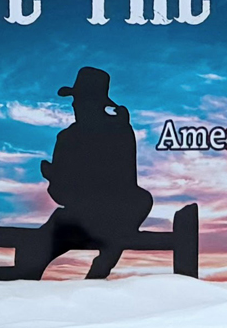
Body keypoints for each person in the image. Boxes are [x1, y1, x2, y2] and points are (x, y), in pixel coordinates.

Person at [33, 66, 153, 278]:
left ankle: (104, 259)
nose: (74, 105)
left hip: (90, 215)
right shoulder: (114, 130)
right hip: (93, 215)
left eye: (79, 99)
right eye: (76, 100)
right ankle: (106, 259)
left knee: (139, 200)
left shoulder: (74, 137)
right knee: (139, 201)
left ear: (93, 103)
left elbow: (62, 193)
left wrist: (53, 177)